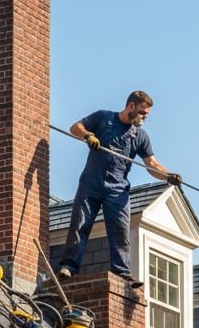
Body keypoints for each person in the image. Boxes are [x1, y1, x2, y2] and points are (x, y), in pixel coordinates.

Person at [57, 90, 182, 284]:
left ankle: (122, 273)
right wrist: (88, 135)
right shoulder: (103, 117)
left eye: (147, 114)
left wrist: (168, 176)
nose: (144, 117)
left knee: (120, 231)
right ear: (131, 106)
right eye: (142, 112)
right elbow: (75, 127)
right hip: (91, 182)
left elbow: (152, 165)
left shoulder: (139, 136)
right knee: (80, 224)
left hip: (117, 188)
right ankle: (69, 267)